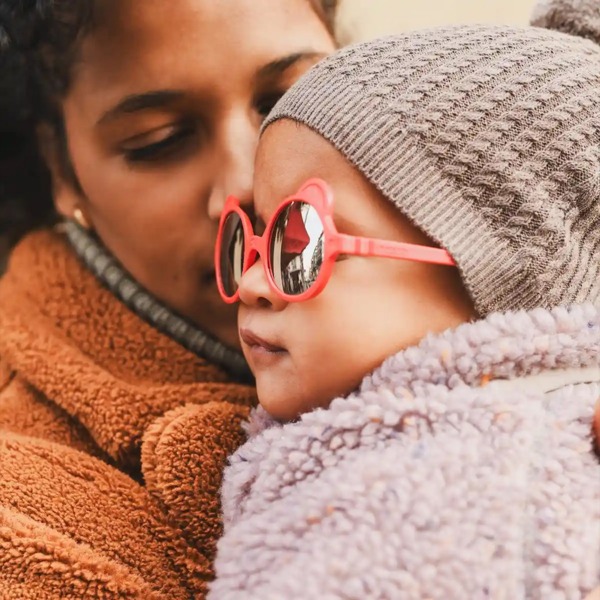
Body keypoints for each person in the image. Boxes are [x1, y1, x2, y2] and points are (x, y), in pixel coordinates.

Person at [209, 24, 600, 599]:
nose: (251, 283)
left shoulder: (453, 498)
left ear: (490, 275)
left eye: (302, 243)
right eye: (255, 237)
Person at [0, 0, 337, 597]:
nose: (246, 183)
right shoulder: (27, 518)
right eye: (159, 141)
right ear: (62, 171)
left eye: (289, 99)